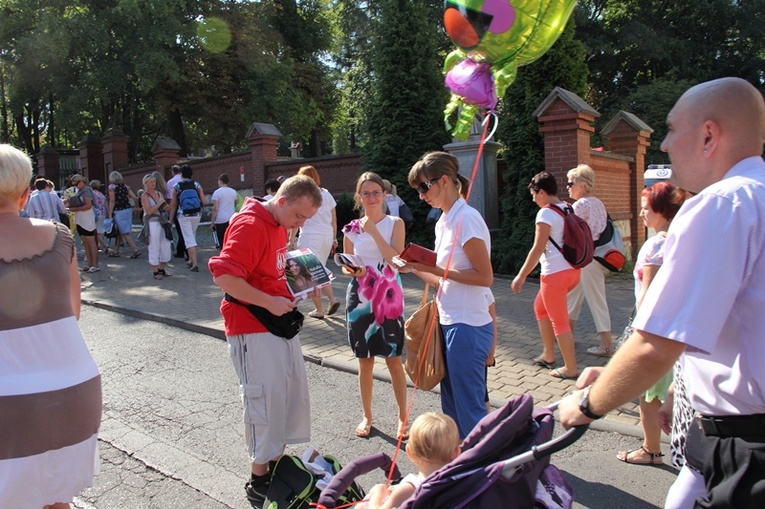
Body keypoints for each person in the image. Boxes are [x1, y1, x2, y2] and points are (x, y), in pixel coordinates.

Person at [558, 77, 765, 508]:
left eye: (673, 129)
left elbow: (657, 343)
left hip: (747, 448)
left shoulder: (719, 204)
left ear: (709, 135)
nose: (665, 144)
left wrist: (589, 405)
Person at [208, 175, 321, 506]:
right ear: (283, 201)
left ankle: (276, 472)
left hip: (274, 323)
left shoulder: (276, 223)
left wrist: (298, 284)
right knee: (263, 402)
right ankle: (259, 482)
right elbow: (224, 275)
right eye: (299, 216)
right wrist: (269, 301)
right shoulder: (250, 224)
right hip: (251, 325)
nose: (299, 225)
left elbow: (270, 271)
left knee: (284, 399)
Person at [0, 144, 102, 509]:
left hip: (8, 401)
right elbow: (73, 311)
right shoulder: (59, 237)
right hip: (74, 390)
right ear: (26, 193)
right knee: (56, 499)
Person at [406, 152, 494, 439]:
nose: (421, 196)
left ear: (444, 181)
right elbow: (441, 278)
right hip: (449, 321)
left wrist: (437, 269)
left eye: (423, 187)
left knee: (470, 411)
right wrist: (415, 268)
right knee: (452, 408)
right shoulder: (444, 221)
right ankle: (461, 470)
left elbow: (485, 277)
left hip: (467, 325)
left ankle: (484, 474)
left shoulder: (466, 218)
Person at [612, 182, 686, 465]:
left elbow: (648, 294)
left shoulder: (656, 244)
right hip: (677, 331)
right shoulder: (681, 240)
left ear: (660, 211)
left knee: (650, 396)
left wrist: (638, 334)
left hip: (656, 331)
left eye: (646, 209)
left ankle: (651, 449)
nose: (642, 214)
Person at [342, 171, 409, 440]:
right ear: (359, 197)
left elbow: (396, 261)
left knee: (394, 359)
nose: (371, 197)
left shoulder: (395, 223)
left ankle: (403, 417)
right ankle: (367, 416)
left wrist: (372, 230)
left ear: (384, 195)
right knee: (365, 361)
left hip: (389, 296)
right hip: (360, 297)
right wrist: (352, 271)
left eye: (376, 192)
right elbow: (347, 264)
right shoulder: (350, 227)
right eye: (366, 193)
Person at [511, 171, 580, 381]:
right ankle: (548, 354)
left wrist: (521, 276)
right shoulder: (567, 207)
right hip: (573, 271)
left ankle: (571, 368)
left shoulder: (545, 213)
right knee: (540, 308)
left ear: (541, 191)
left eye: (533, 194)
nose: (533, 199)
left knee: (559, 322)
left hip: (554, 275)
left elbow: (537, 248)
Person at [565, 164, 614, 356]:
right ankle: (565, 334)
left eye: (571, 182)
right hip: (596, 257)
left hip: (585, 258)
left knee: (596, 300)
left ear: (582, 185)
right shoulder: (598, 203)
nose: (568, 186)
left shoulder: (579, 206)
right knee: (574, 296)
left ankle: (607, 345)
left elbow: (571, 233)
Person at [365, 412, 460, 509]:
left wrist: (377, 493)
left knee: (360, 505)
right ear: (456, 452)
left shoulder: (409, 489)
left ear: (409, 453)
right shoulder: (460, 480)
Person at [294, 165, 341, 318]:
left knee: (310, 273)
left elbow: (298, 218)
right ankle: (332, 299)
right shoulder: (326, 194)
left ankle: (319, 309)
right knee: (319, 270)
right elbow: (333, 218)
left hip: (309, 236)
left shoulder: (302, 196)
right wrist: (334, 237)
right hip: (326, 236)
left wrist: (289, 239)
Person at [170, 165, 205, 272]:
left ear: (181, 174)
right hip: (196, 213)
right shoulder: (196, 184)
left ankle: (194, 264)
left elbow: (173, 205)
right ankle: (190, 259)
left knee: (188, 238)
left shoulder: (176, 186)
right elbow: (203, 201)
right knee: (192, 235)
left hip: (183, 214)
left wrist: (170, 220)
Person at [140, 174, 172, 281]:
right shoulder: (144, 196)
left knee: (166, 244)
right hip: (152, 222)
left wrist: (168, 207)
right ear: (146, 184)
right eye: (150, 182)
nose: (153, 184)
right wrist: (159, 204)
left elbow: (163, 207)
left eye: (154, 182)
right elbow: (148, 211)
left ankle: (162, 268)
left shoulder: (159, 194)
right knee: (154, 245)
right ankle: (155, 270)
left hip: (162, 221)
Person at [67, 174, 100, 273]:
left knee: (91, 242)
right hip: (80, 219)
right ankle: (89, 264)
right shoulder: (80, 191)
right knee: (85, 242)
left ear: (81, 182)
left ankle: (95, 264)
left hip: (87, 219)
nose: (75, 186)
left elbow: (88, 205)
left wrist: (73, 209)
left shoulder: (87, 190)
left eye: (76, 184)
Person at [107, 170, 141, 258]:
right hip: (128, 208)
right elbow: (134, 197)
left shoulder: (112, 187)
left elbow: (112, 200)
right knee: (120, 230)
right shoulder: (125, 186)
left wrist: (110, 213)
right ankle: (115, 251)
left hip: (118, 210)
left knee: (124, 232)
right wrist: (136, 206)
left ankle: (135, 250)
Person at [210, 173, 239, 250]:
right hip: (231, 218)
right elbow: (237, 202)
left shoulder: (217, 193)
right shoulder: (233, 191)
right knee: (230, 237)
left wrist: (212, 221)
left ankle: (223, 254)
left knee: (221, 239)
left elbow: (215, 208)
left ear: (220, 181)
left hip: (220, 219)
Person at [166, 165, 187, 260]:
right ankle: (180, 251)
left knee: (180, 231)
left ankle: (184, 252)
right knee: (185, 230)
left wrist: (170, 215)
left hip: (177, 207)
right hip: (187, 207)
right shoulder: (187, 181)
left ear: (172, 172)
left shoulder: (171, 182)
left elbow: (171, 199)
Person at [89, 179, 109, 252]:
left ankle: (104, 245)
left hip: (95, 213)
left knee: (96, 231)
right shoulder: (101, 194)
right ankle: (100, 245)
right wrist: (108, 213)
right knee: (101, 230)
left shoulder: (91, 193)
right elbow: (106, 204)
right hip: (102, 213)